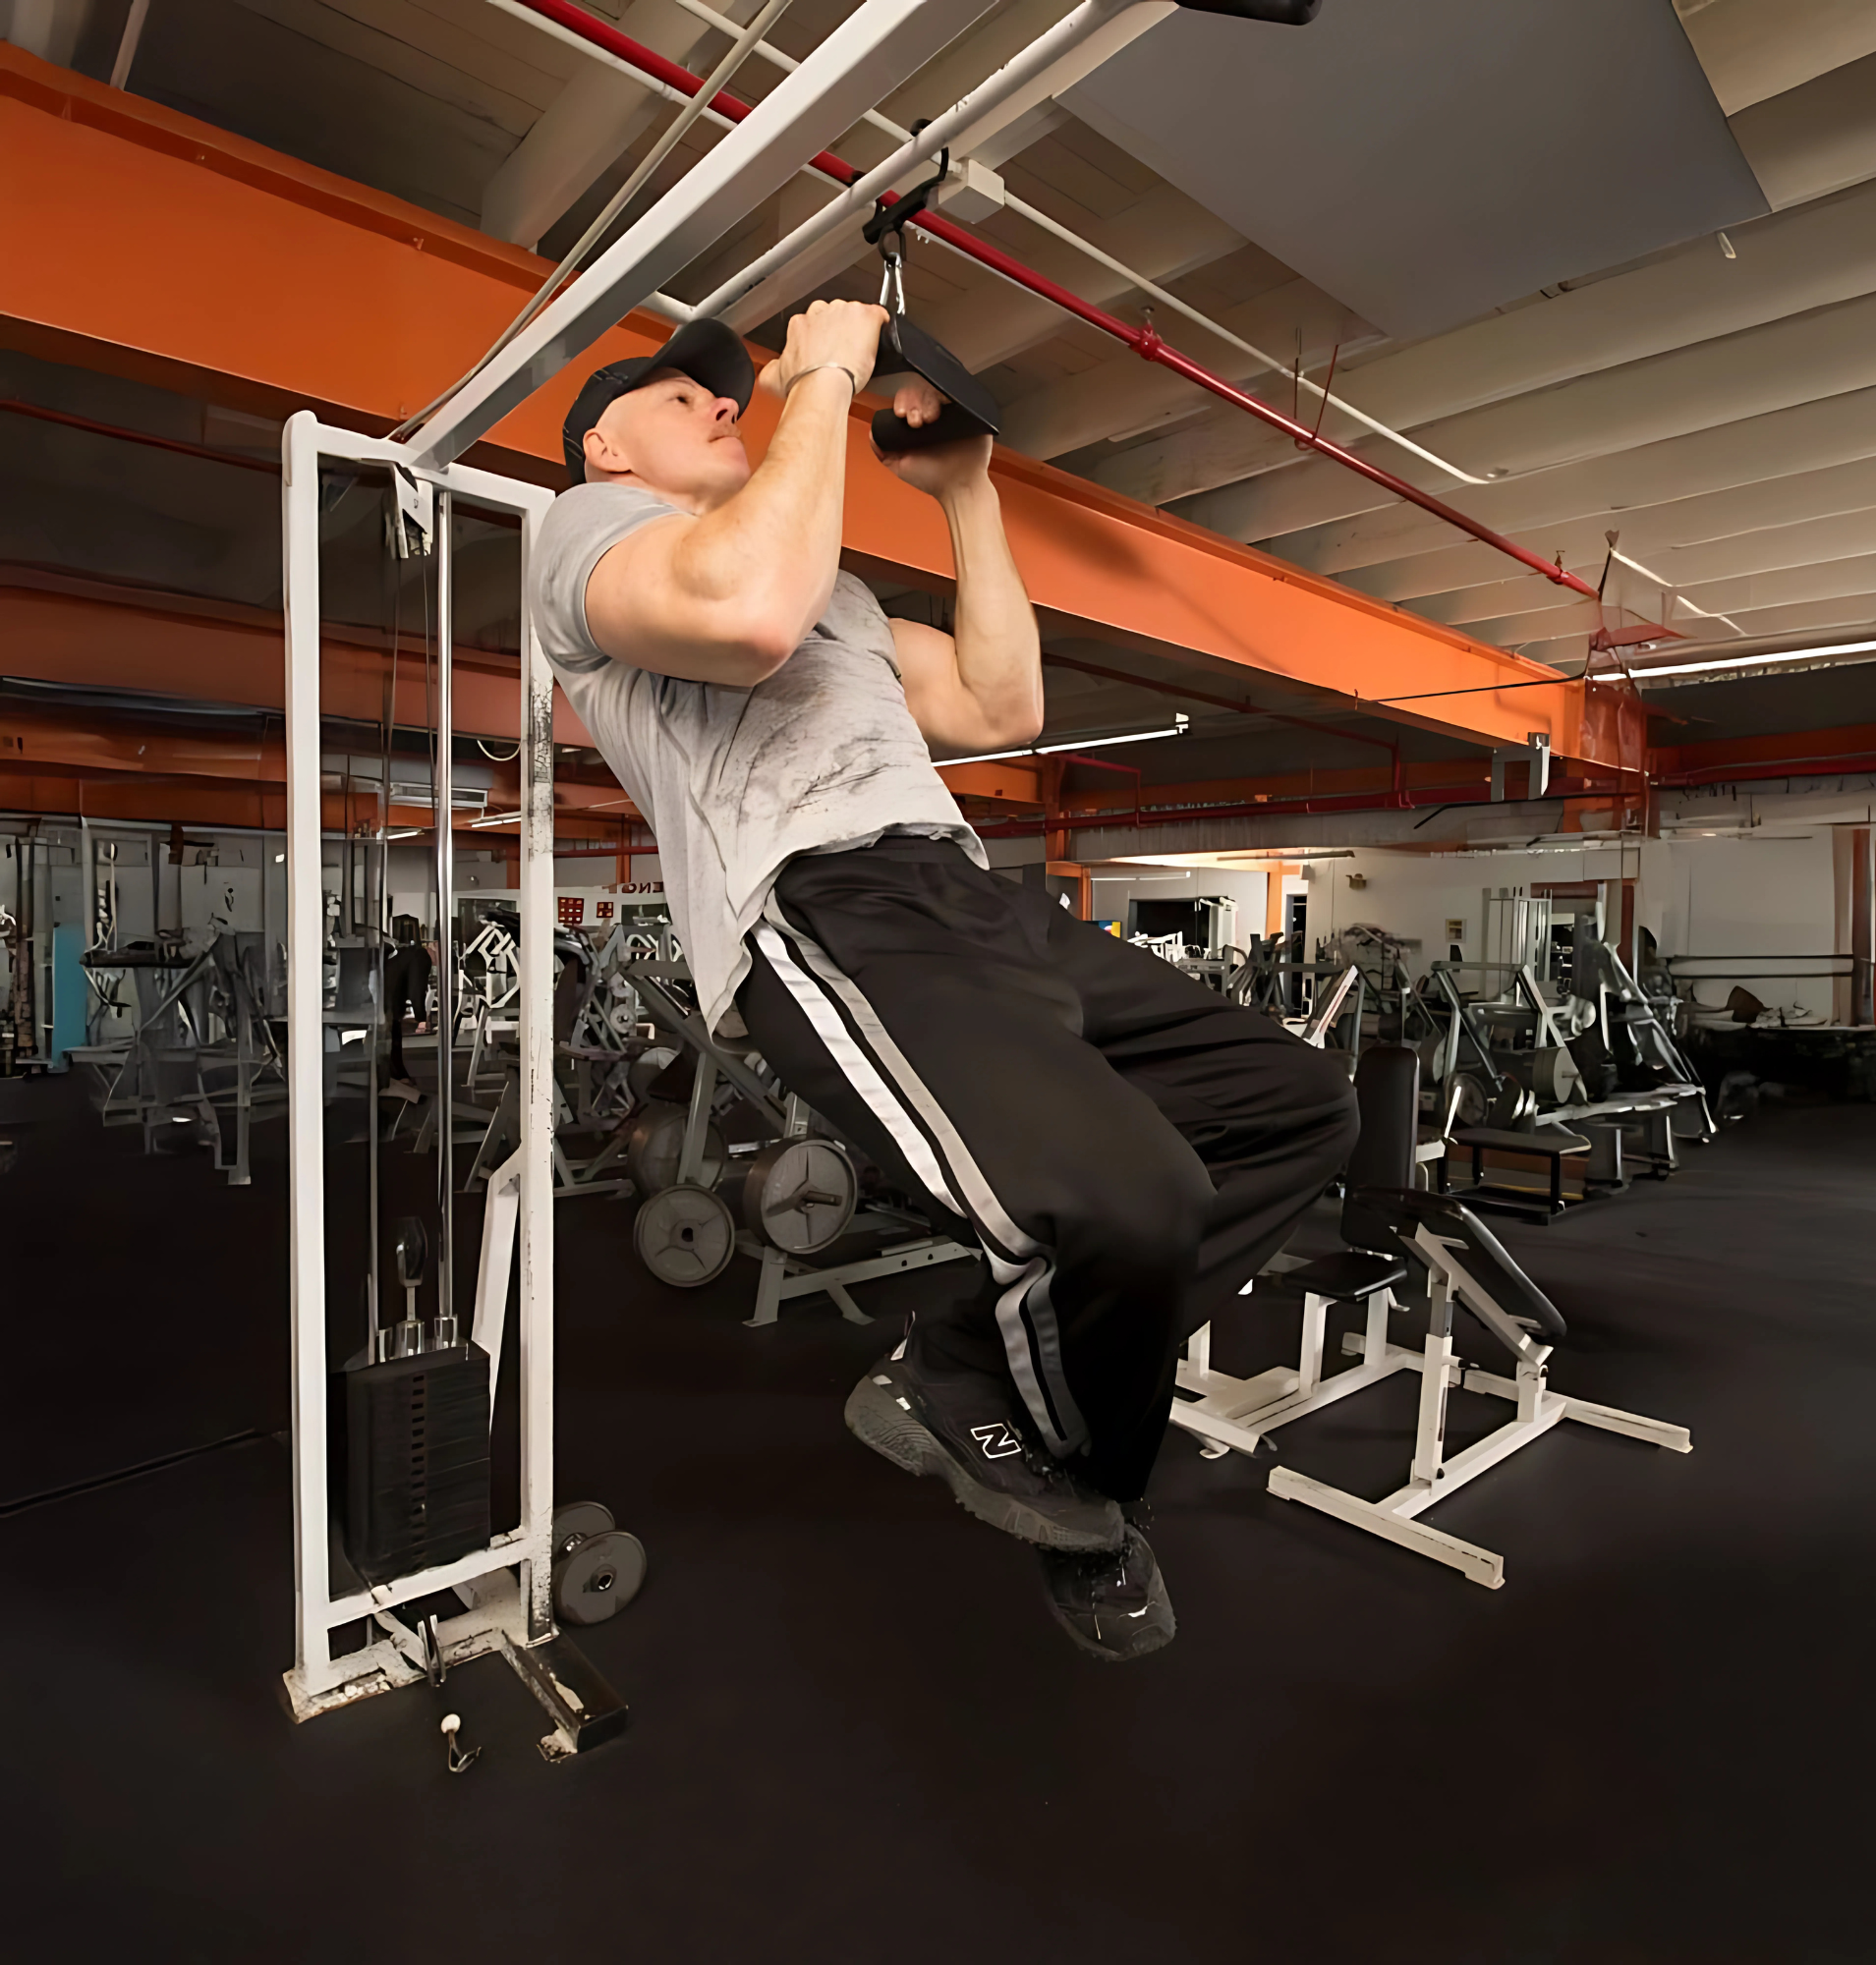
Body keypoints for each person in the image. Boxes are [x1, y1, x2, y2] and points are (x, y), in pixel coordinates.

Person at [532, 303, 1358, 1661]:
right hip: (827, 907)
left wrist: (969, 492)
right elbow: (738, 610)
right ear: (604, 447)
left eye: (730, 395)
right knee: (1124, 1201)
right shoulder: (586, 538)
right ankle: (1089, 1491)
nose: (726, 406)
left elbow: (998, 707)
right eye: (687, 400)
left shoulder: (837, 596)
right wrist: (832, 374)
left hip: (969, 894)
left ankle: (963, 1363)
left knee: (1297, 1103)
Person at [381, 915, 432, 1102]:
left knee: (392, 1037)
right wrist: (421, 1019)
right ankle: (398, 1079)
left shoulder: (410, 953)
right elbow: (415, 990)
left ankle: (399, 1077)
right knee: (391, 1039)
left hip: (385, 995)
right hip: (387, 998)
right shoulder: (421, 956)